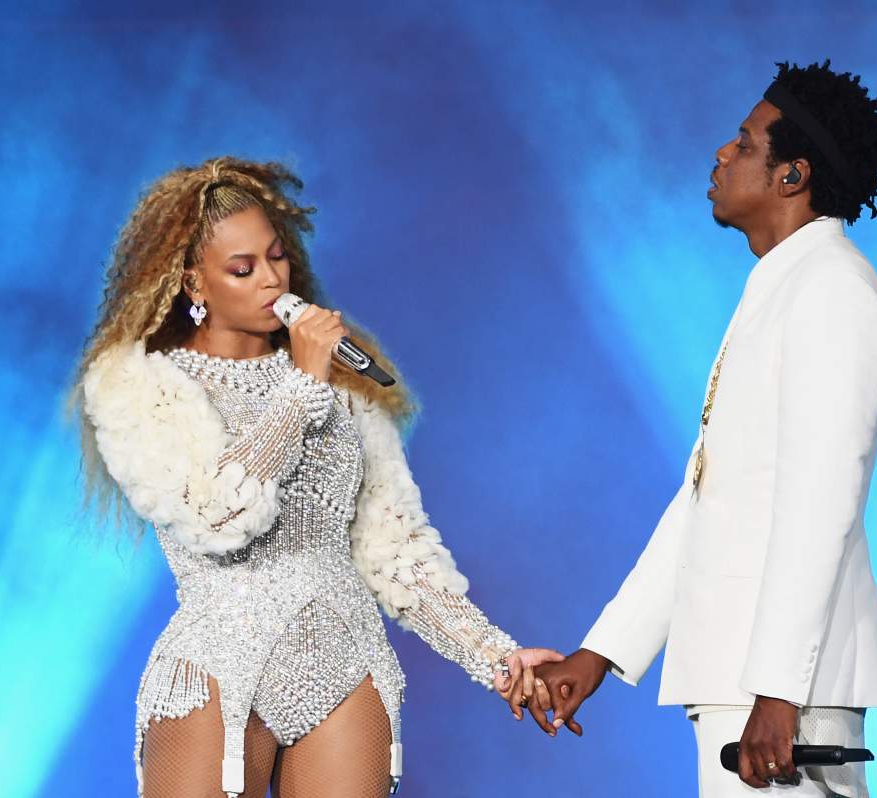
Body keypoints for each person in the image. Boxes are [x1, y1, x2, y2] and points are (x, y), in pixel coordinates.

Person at [74, 157, 561, 798]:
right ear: (194, 283)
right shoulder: (138, 383)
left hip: (343, 653)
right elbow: (215, 518)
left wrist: (496, 657)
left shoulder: (347, 386)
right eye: (242, 269)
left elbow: (396, 550)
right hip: (219, 659)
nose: (272, 279)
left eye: (277, 258)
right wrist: (302, 385)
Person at [520, 61, 877, 797]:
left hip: (782, 697)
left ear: (792, 176)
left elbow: (823, 503)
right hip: (745, 684)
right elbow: (707, 501)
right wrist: (599, 654)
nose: (722, 154)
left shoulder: (830, 291)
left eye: (744, 143)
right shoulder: (782, 285)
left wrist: (780, 690)